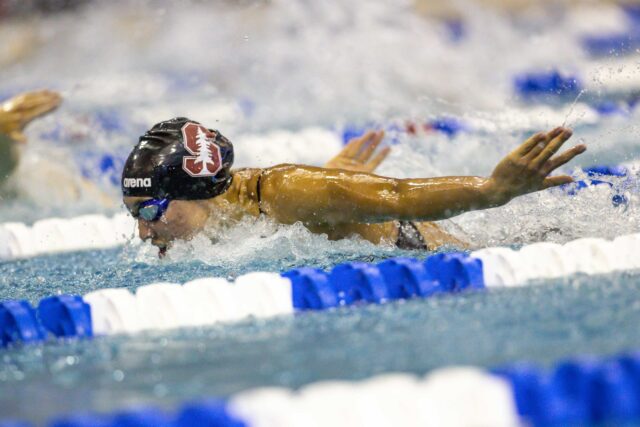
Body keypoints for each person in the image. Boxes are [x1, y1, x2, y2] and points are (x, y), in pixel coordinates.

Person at [122, 117, 586, 256]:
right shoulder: (223, 212)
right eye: (135, 214)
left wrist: (491, 190)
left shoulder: (284, 191)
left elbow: (402, 196)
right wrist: (331, 196)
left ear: (201, 192)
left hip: (427, 252)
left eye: (150, 211)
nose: (145, 232)